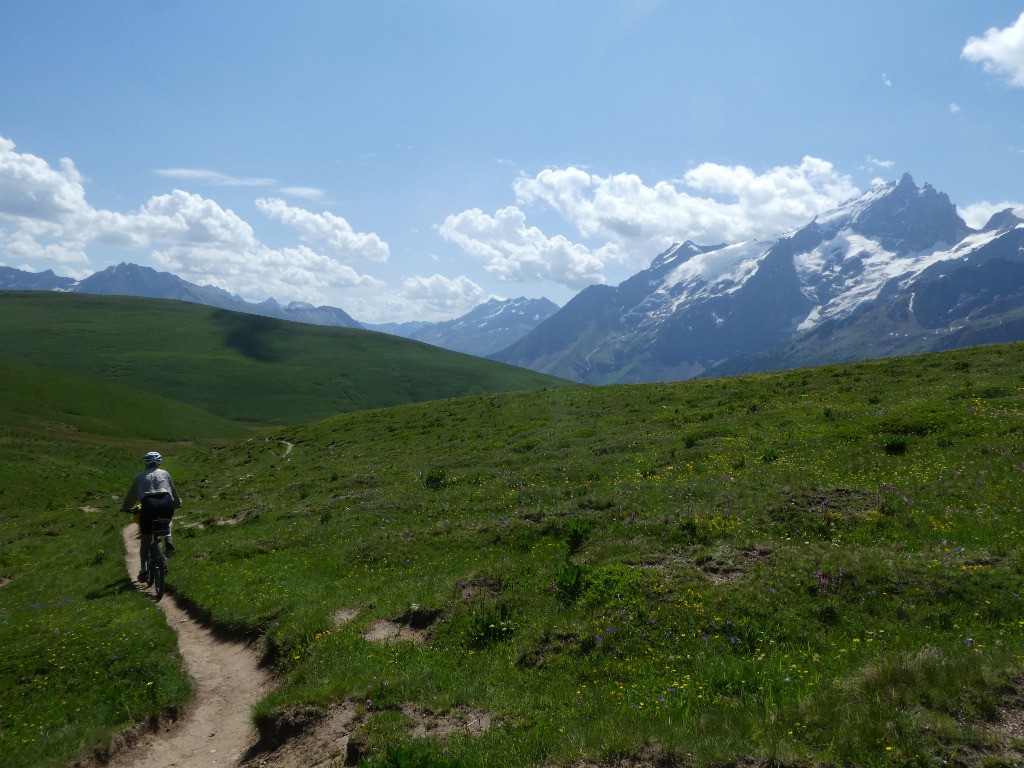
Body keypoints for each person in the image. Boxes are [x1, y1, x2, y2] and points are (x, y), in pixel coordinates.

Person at [120, 451, 182, 583]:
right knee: (168, 519)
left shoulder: (139, 476)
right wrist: (177, 503)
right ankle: (168, 536)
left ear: (145, 463)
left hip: (148, 505)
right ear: (159, 462)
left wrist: (125, 507)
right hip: (166, 502)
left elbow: (131, 495)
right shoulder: (165, 473)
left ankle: (143, 570)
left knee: (145, 541)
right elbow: (173, 491)